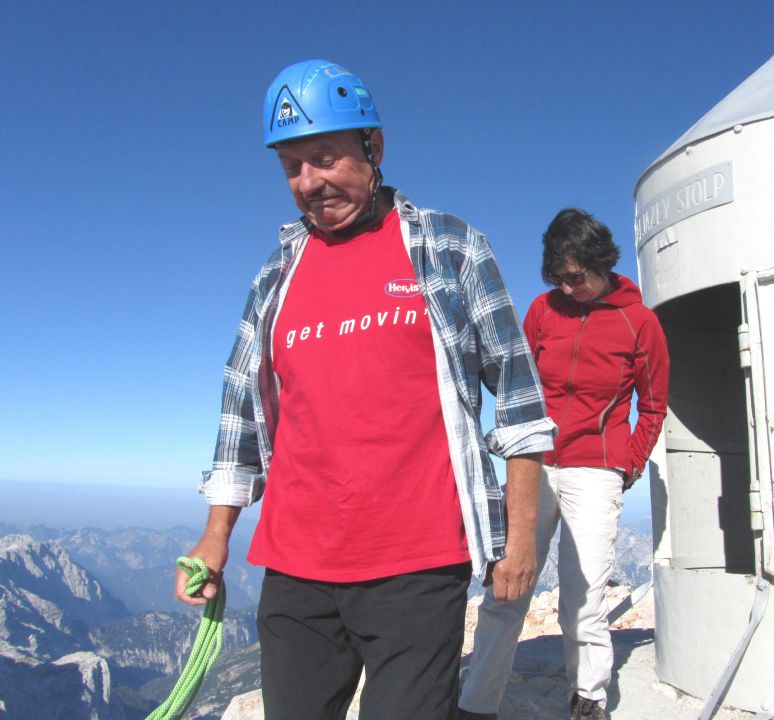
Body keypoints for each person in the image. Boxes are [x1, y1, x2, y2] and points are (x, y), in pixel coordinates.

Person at [173, 59, 555, 720]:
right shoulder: (277, 275)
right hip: (295, 569)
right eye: (292, 166)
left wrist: (518, 545)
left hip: (418, 564)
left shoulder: (450, 248)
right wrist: (215, 537)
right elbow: (240, 413)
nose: (309, 182)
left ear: (373, 148)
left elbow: (522, 405)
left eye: (325, 158)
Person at [459, 209, 670, 720]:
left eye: (576, 276)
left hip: (596, 469)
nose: (567, 287)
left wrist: (628, 463)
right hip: (534, 464)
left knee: (584, 593)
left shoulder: (639, 321)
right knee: (507, 585)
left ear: (601, 264)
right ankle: (474, 704)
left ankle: (590, 696)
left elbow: (654, 404)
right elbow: (514, 384)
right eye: (558, 277)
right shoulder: (541, 310)